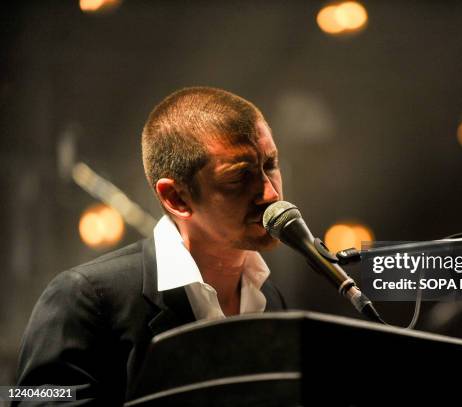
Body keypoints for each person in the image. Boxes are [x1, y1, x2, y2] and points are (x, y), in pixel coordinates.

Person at [14, 87, 287, 405]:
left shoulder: (271, 298)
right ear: (176, 198)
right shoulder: (83, 296)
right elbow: (26, 397)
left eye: (270, 165)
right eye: (240, 177)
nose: (270, 194)